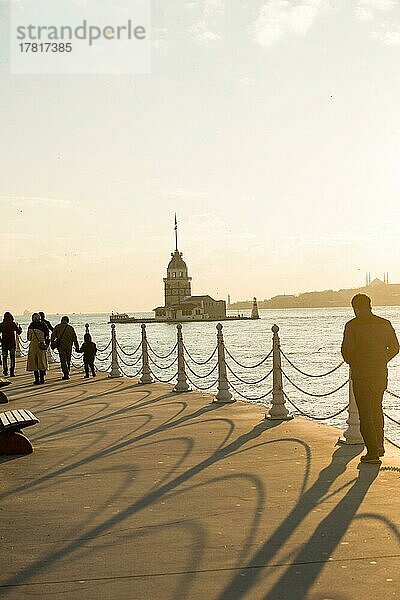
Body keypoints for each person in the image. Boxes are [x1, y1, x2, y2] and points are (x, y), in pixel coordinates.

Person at [341, 294, 399, 464]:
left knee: (365, 413)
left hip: (361, 374)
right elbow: (395, 348)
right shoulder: (384, 323)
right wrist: (382, 359)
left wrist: (356, 361)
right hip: (380, 373)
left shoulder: (352, 326)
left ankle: (372, 452)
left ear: (355, 308)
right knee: (377, 409)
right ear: (370, 305)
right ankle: (379, 446)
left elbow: (347, 352)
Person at [51, 316, 79, 380]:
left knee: (63, 361)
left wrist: (52, 344)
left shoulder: (57, 327)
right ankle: (67, 372)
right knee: (68, 360)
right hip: (69, 346)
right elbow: (75, 338)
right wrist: (77, 347)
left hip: (61, 346)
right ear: (68, 321)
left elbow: (53, 336)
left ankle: (65, 374)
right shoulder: (70, 328)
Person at [27, 313, 49, 384]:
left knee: (34, 363)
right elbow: (47, 335)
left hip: (33, 345)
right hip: (41, 344)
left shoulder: (31, 326)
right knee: (41, 362)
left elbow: (29, 338)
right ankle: (42, 379)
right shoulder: (43, 325)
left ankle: (37, 380)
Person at [0, 312, 22, 377]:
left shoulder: (1, 325)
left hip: (4, 343)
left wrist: (0, 340)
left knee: (4, 357)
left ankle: (5, 371)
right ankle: (12, 372)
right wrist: (20, 328)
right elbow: (19, 332)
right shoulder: (12, 324)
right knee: (12, 358)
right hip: (12, 343)